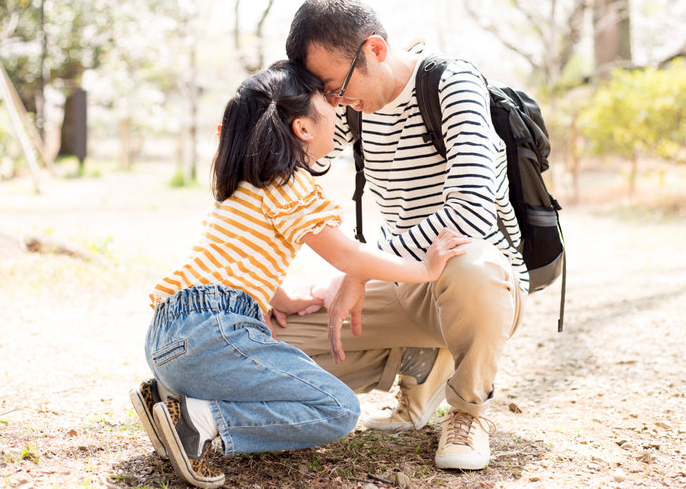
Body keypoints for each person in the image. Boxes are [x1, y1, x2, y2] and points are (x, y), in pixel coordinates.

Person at [129, 61, 471, 488]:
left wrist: (282, 299)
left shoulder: (246, 184)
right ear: (303, 129)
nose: (339, 109)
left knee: (291, 380)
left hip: (166, 335)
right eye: (328, 104)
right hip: (212, 331)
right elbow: (348, 256)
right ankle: (199, 420)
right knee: (337, 409)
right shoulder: (293, 186)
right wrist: (422, 268)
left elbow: (237, 257)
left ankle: (170, 397)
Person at [270, 0, 529, 471]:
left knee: (469, 265)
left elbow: (471, 213)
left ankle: (468, 411)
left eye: (335, 86)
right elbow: (289, 169)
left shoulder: (452, 83)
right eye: (324, 93)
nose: (334, 101)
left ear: (376, 51)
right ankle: (420, 362)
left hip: (481, 284)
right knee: (268, 339)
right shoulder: (349, 106)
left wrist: (359, 267)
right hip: (406, 281)